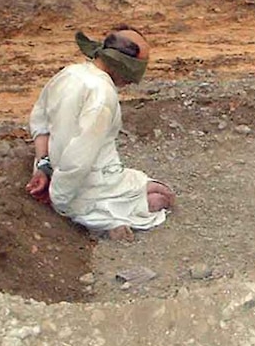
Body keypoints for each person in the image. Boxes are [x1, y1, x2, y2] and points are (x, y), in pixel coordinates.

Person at [25, 25, 175, 241]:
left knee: (153, 190)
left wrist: (43, 167)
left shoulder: (68, 73)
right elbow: (78, 160)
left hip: (58, 172)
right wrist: (59, 201)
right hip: (85, 186)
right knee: (162, 197)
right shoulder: (101, 95)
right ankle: (100, 223)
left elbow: (40, 122)